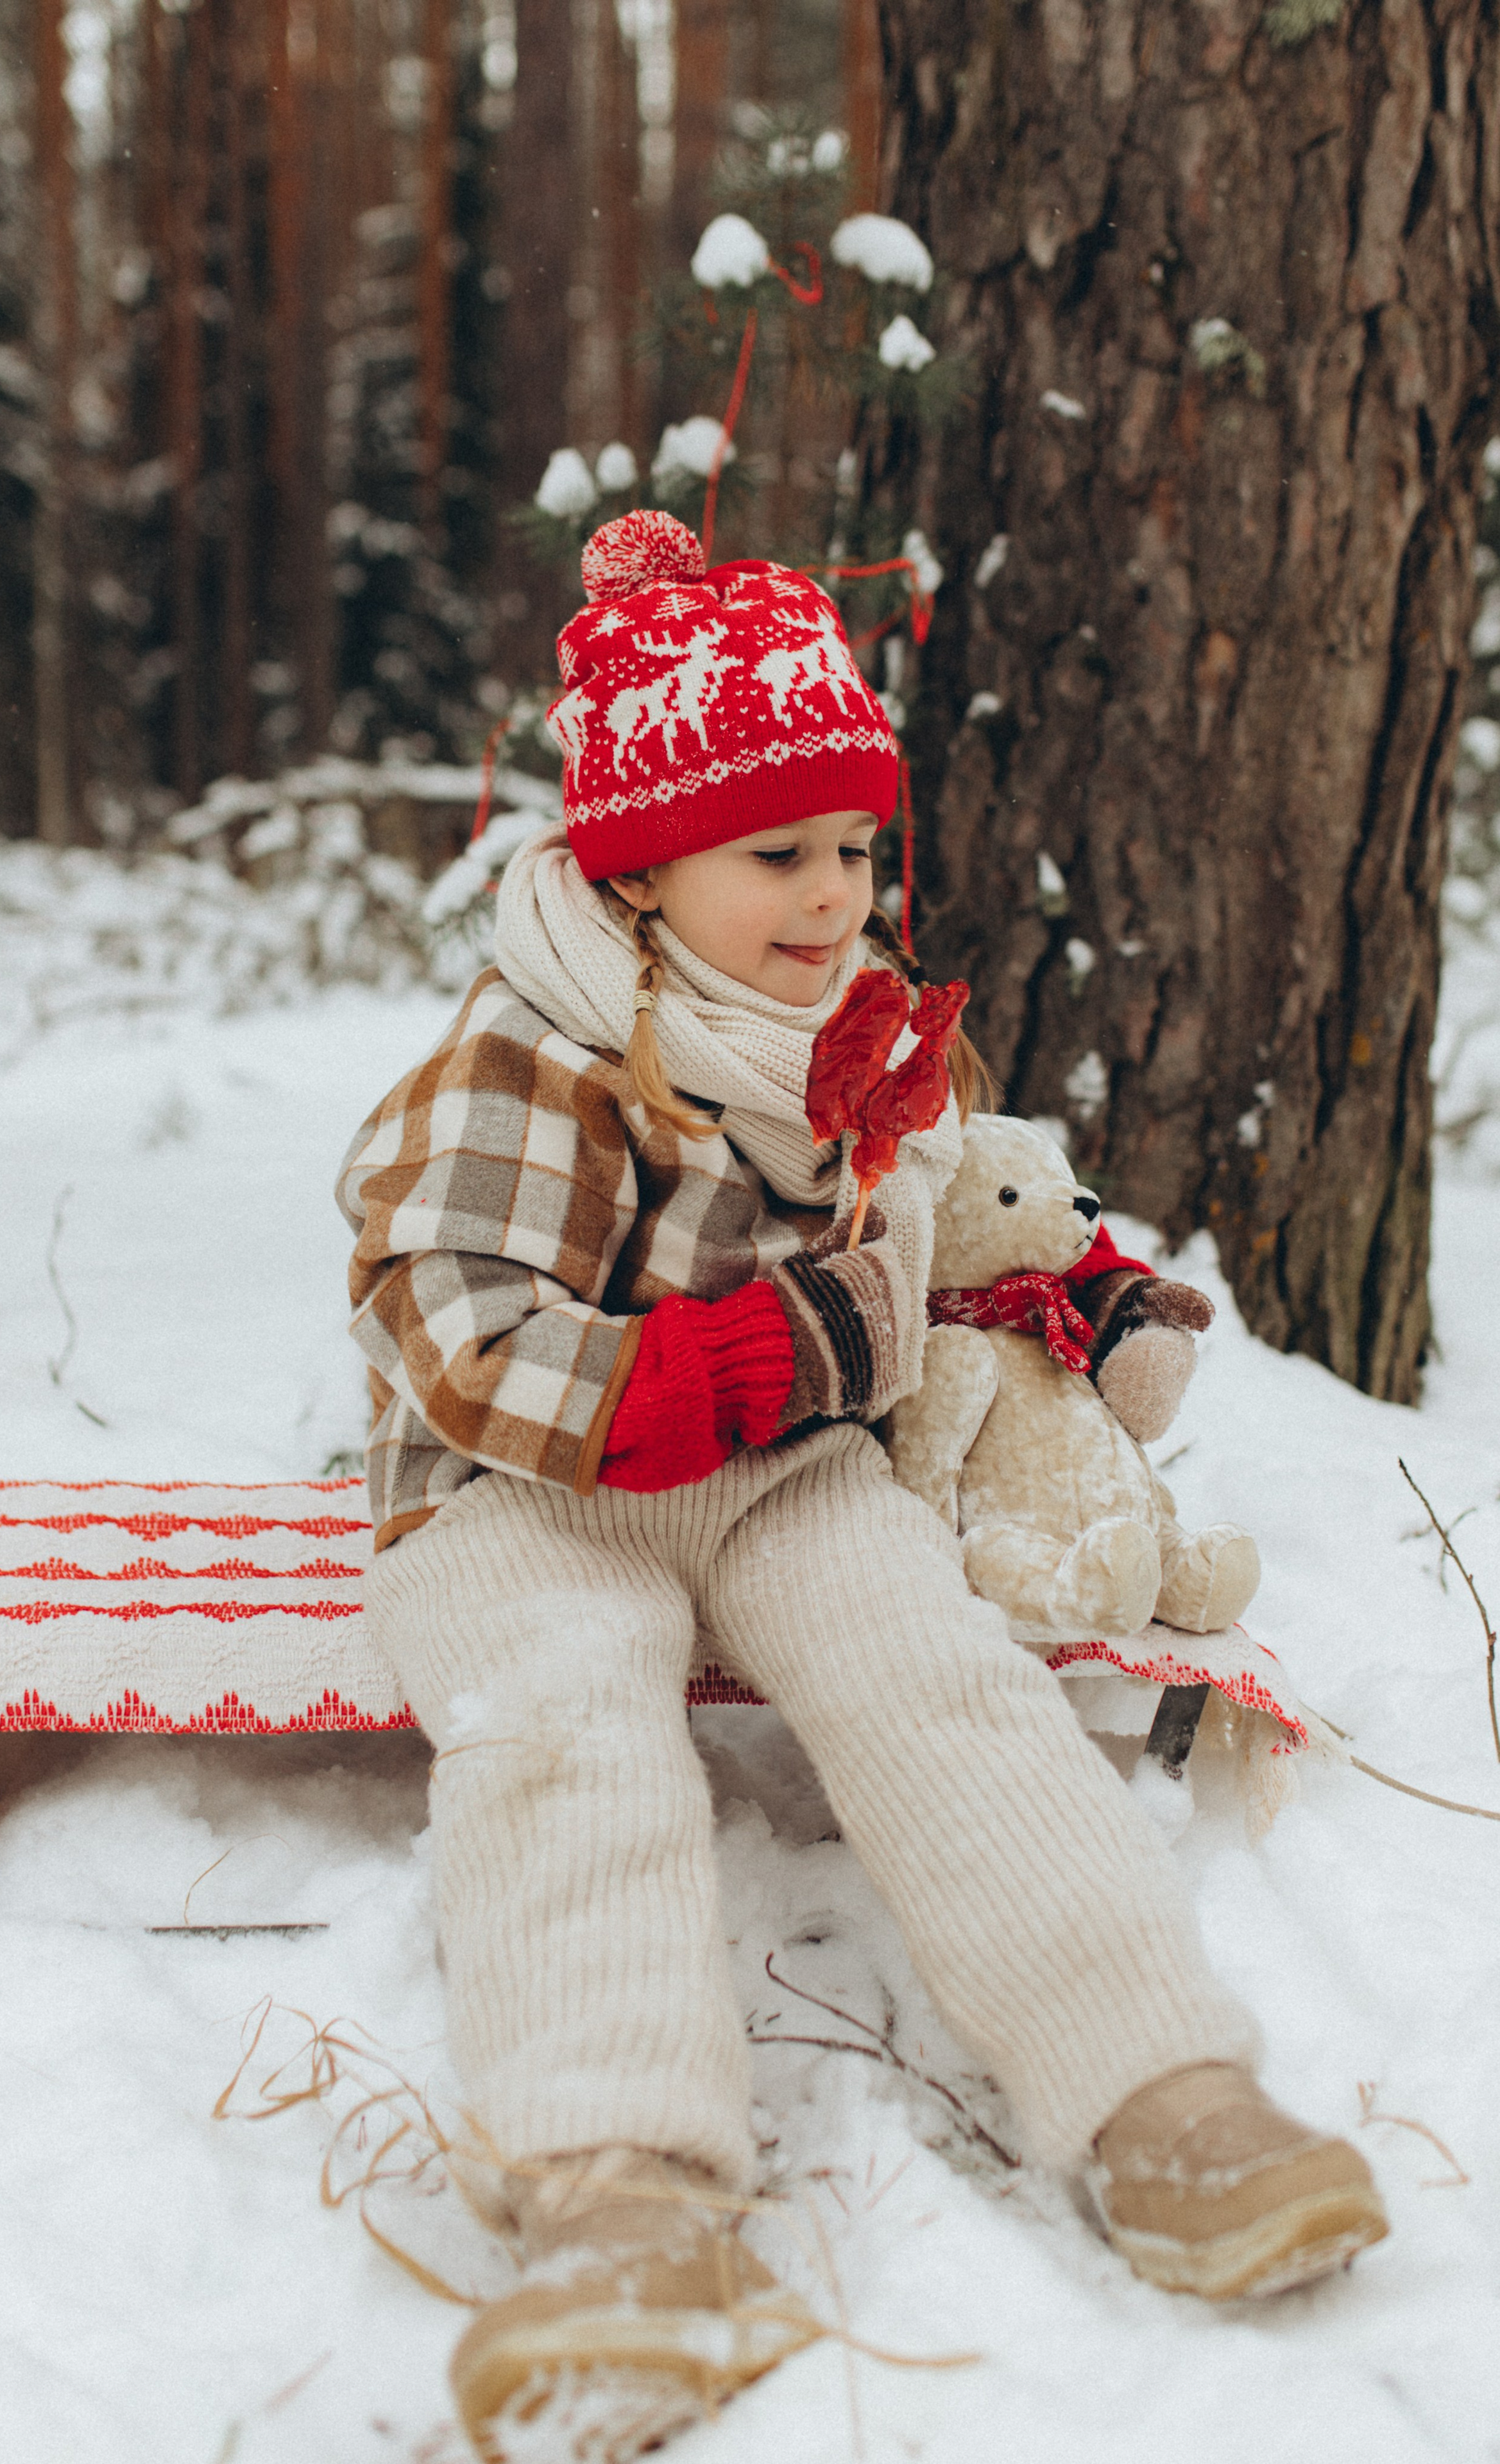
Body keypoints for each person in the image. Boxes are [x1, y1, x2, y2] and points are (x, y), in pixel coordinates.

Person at [339, 511, 1386, 2463]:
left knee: (938, 1672)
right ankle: (621, 2189)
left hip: (775, 1467)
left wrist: (1001, 1296)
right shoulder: (527, 1060)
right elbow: (443, 1314)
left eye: (854, 850)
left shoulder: (835, 1030)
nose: (835, 899)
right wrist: (709, 1363)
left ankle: (1159, 2093)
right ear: (637, 866)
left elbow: (917, 1218)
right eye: (780, 857)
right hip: (517, 1488)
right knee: (561, 1732)